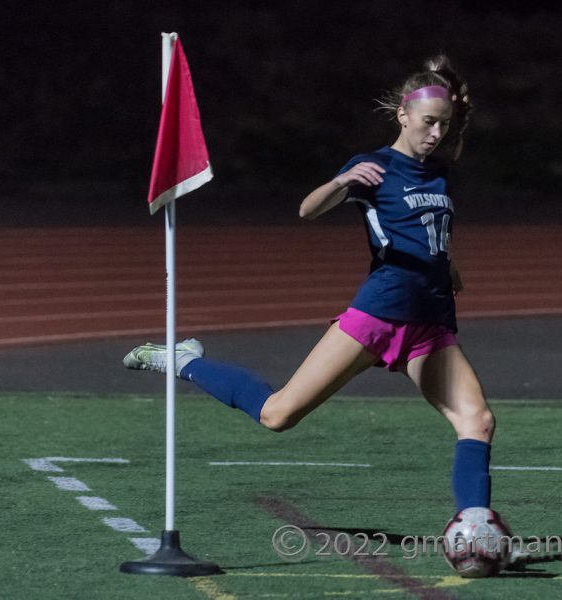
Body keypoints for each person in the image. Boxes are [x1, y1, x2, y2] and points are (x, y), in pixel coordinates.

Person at [124, 55, 494, 514]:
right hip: (378, 316)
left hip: (432, 323)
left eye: (444, 124)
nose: (435, 134)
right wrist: (341, 180)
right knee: (277, 415)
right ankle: (183, 361)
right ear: (402, 114)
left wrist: (448, 267)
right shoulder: (374, 166)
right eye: (427, 122)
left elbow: (430, 233)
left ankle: (476, 527)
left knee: (476, 421)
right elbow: (308, 210)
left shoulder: (440, 175)